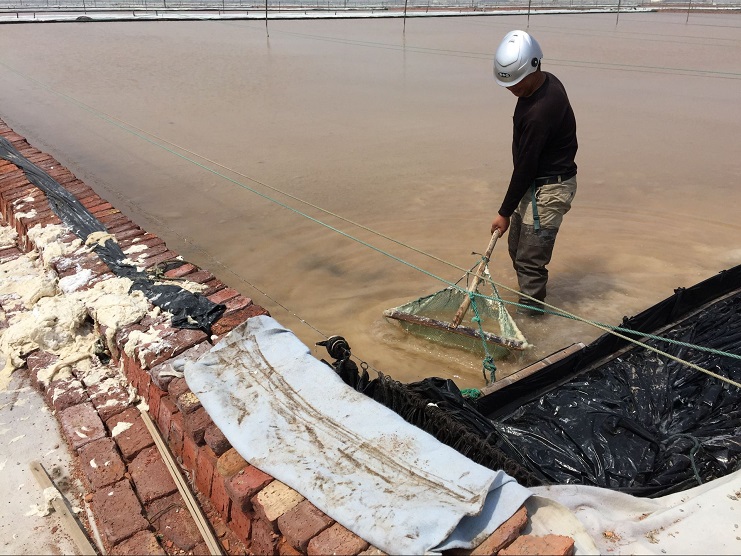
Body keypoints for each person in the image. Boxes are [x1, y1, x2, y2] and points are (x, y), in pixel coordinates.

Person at [489, 30, 578, 317]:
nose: (511, 89)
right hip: (533, 182)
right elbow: (526, 165)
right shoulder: (544, 81)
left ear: (534, 67)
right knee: (517, 249)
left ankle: (533, 323)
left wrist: (504, 211)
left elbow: (526, 165)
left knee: (529, 261)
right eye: (508, 84)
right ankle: (531, 305)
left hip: (549, 188)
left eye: (516, 82)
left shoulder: (541, 110)